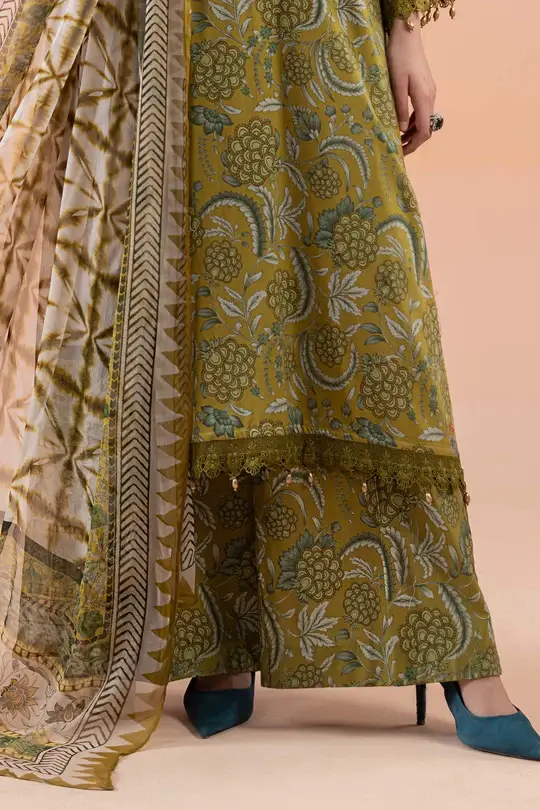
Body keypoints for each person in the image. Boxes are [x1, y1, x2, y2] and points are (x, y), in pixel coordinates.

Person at [0, 0, 537, 791]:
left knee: (371, 296)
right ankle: (228, 635)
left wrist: (406, 26)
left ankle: (459, 650)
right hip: (187, 32)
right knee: (220, 322)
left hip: (324, 21)